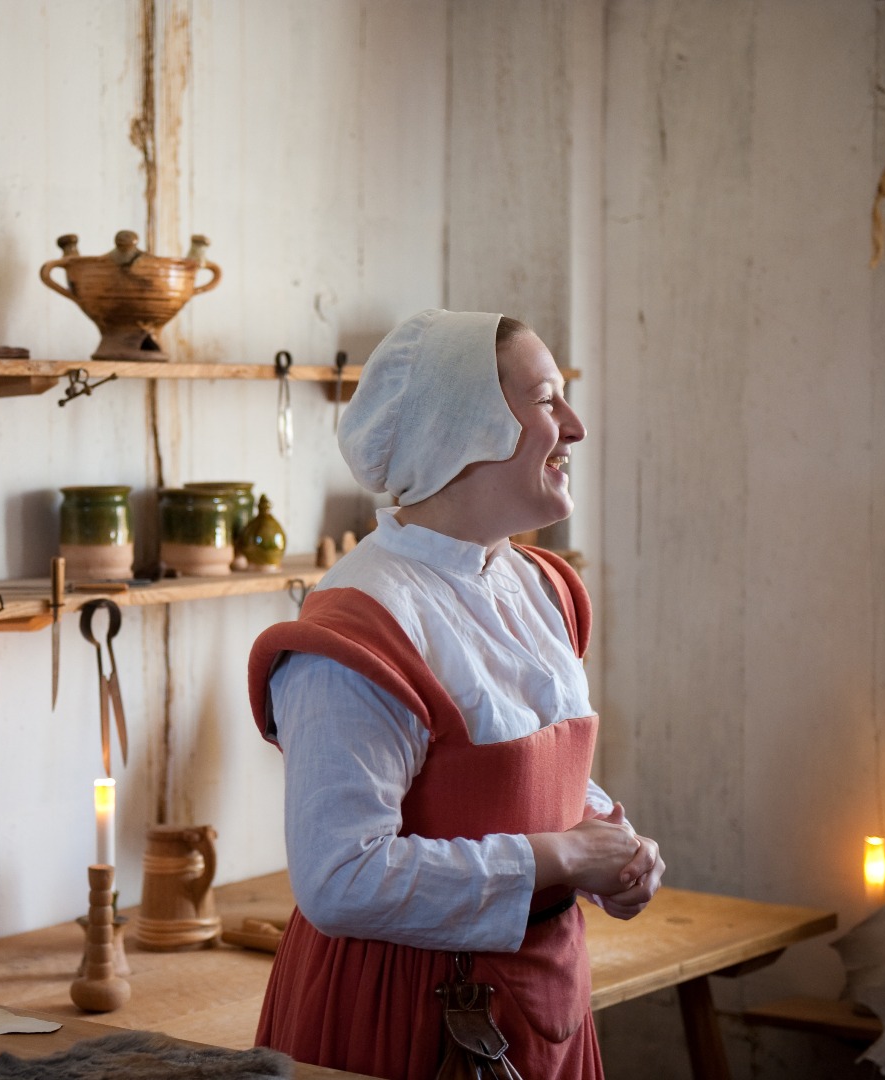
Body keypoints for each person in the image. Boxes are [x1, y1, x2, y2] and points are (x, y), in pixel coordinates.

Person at [247, 310, 664, 1080]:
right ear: (462, 425)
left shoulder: (539, 587)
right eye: (545, 400)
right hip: (407, 1017)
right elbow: (340, 880)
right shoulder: (359, 629)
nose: (572, 426)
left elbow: (522, 770)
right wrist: (560, 855)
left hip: (541, 998)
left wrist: (608, 841)